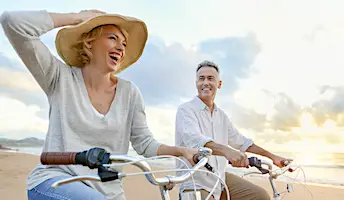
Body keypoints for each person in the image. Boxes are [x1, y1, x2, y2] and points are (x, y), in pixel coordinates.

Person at [1, 10, 198, 200]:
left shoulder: (130, 93)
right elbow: (13, 22)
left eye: (124, 43)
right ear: (89, 42)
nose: (121, 48)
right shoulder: (59, 78)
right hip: (55, 181)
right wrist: (76, 18)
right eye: (113, 38)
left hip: (109, 191)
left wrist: (181, 151)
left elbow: (145, 143)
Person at [175, 60, 292, 200]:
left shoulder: (222, 116)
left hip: (219, 177)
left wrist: (273, 157)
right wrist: (228, 151)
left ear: (219, 84)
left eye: (210, 78)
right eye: (201, 78)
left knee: (260, 196)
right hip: (195, 180)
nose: (205, 82)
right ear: (196, 83)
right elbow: (195, 140)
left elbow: (241, 142)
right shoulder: (186, 110)